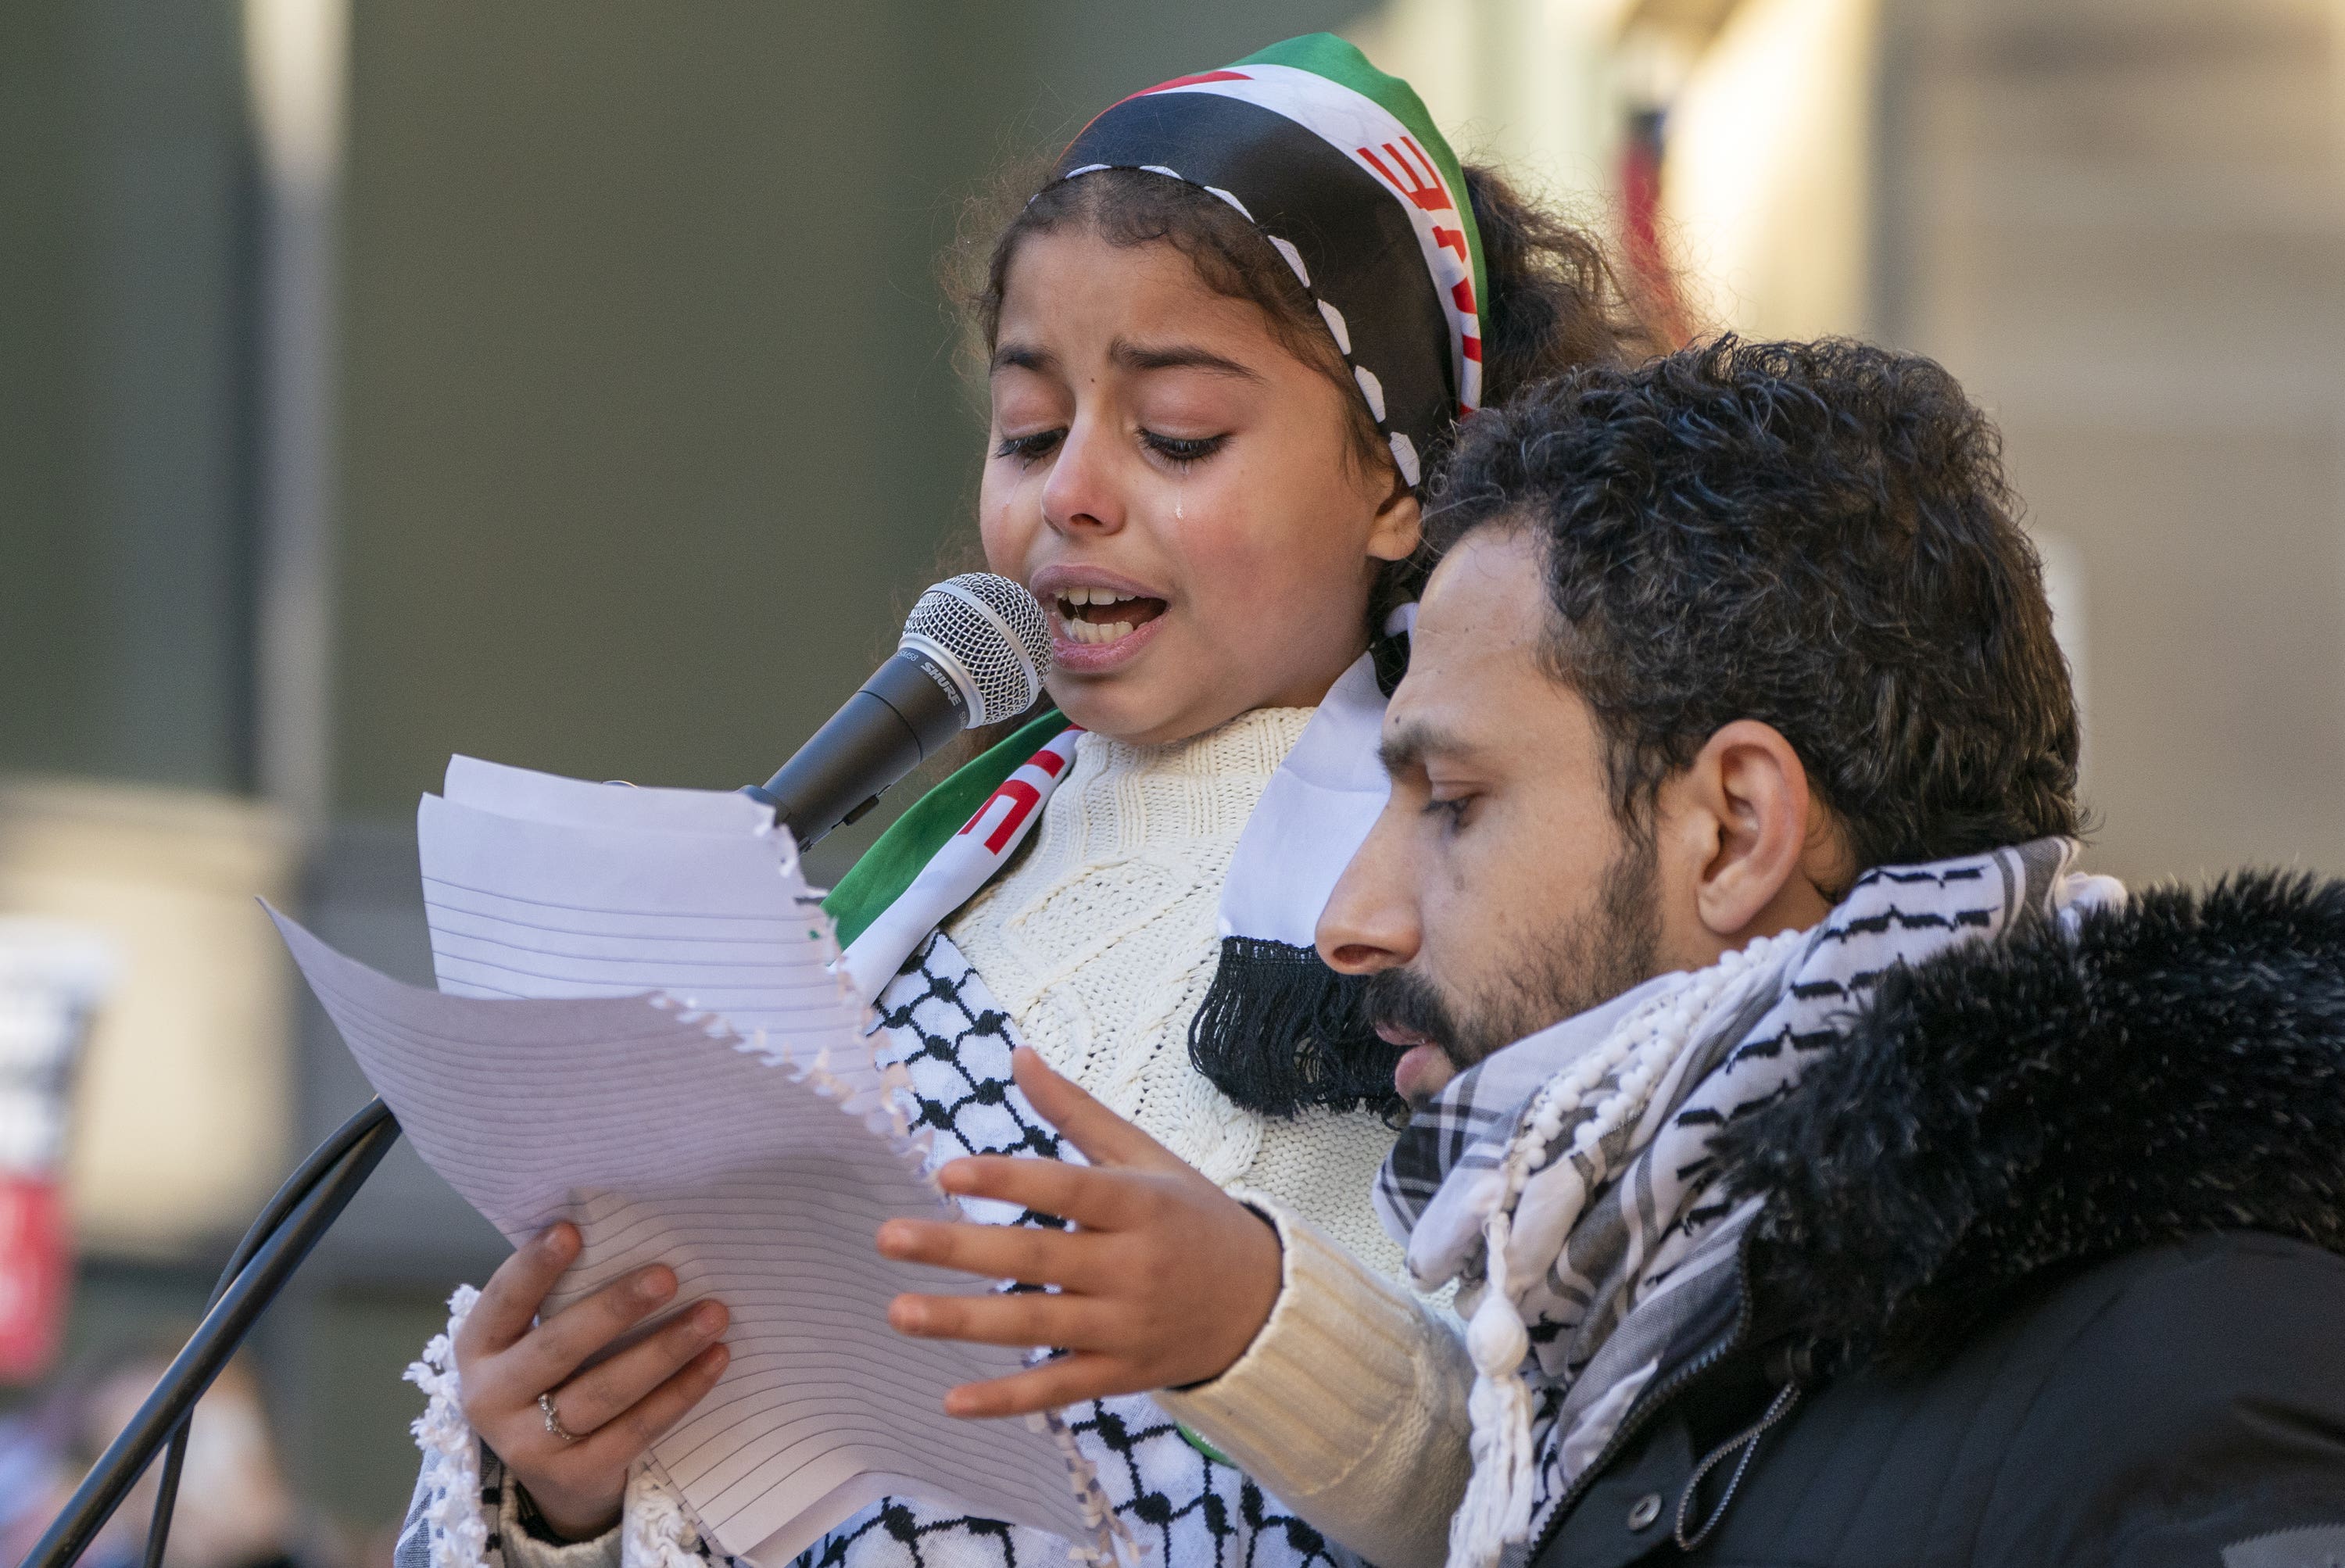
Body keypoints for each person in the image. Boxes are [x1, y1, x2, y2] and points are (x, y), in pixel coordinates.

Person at [393, 33, 1656, 1568]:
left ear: (1405, 481)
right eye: (1030, 429)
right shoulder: (924, 895)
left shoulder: (1507, 880)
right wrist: (562, 1489)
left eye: (1176, 431)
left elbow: (1575, 1464)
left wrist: (1254, 1325)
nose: (1074, 493)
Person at [881, 338, 2345, 1567]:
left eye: (1453, 805)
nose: (1351, 919)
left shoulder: (2188, 1367)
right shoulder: (1639, 1366)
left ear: (1735, 829)